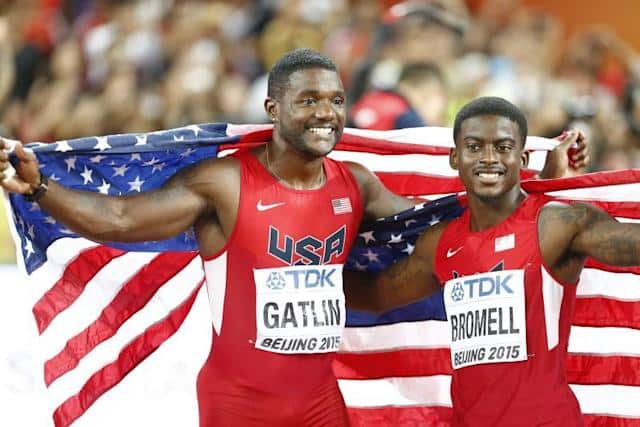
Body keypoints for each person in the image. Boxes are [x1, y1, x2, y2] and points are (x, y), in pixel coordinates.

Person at [0, 50, 586, 426]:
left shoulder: (353, 183)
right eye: (308, 100)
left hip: (318, 404)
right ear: (273, 107)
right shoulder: (225, 184)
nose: (326, 113)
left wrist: (544, 184)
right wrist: (40, 190)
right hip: (238, 407)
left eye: (334, 100)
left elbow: (448, 222)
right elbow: (123, 221)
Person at [344, 96, 639, 427]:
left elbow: (629, 244)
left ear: (521, 157)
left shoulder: (556, 224)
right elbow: (377, 296)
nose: (488, 158)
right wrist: (299, 272)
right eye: (474, 147)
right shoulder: (441, 241)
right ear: (455, 158)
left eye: (502, 147)